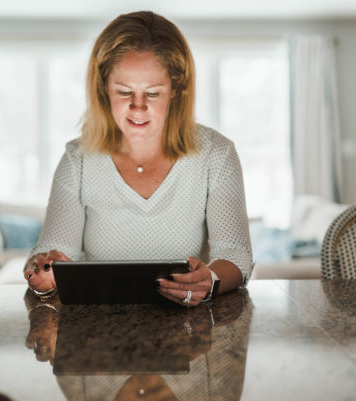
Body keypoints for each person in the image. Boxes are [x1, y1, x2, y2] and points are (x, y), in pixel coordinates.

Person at [23, 10, 252, 306]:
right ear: (104, 88)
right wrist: (44, 275)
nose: (138, 107)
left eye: (153, 93)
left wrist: (210, 281)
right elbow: (53, 253)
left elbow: (235, 253)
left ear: (176, 88)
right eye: (124, 91)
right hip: (97, 332)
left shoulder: (216, 154)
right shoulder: (77, 160)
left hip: (189, 331)